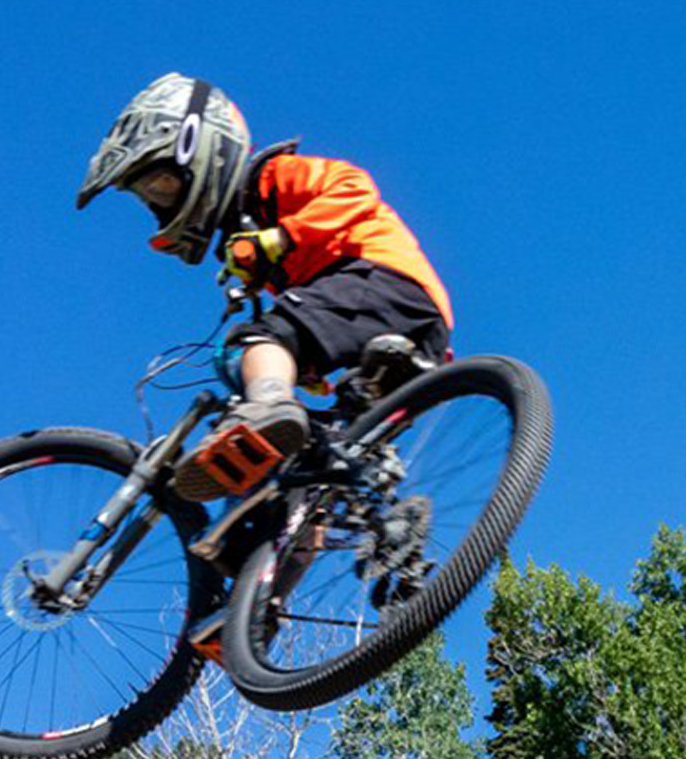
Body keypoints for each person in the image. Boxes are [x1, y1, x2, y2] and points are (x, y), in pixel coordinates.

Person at [75, 72, 454, 501]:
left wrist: (280, 238)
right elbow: (315, 314)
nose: (160, 202)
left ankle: (270, 403)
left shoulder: (271, 179)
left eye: (160, 185)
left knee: (255, 339)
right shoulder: (252, 232)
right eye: (150, 198)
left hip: (383, 278)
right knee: (313, 473)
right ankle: (311, 545)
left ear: (199, 152)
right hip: (414, 323)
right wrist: (308, 369)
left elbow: (354, 190)